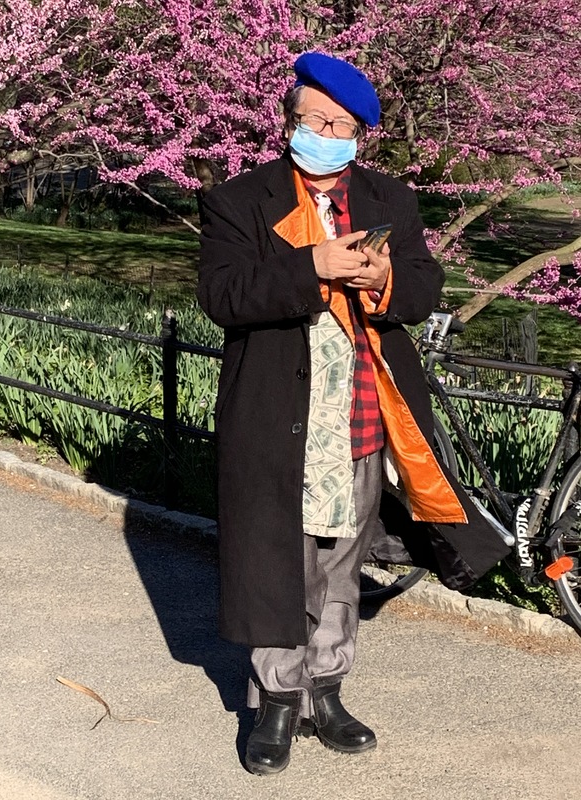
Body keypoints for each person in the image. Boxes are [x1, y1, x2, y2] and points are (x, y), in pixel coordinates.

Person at [197, 52, 510, 776]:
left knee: (343, 565)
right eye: (313, 119)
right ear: (289, 121)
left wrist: (385, 277)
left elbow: (425, 289)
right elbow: (223, 296)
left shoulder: (389, 200)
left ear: (359, 135)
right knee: (280, 561)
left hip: (366, 414)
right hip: (277, 416)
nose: (326, 132)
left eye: (340, 124)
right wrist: (313, 268)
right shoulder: (241, 200)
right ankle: (276, 700)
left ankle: (327, 690)